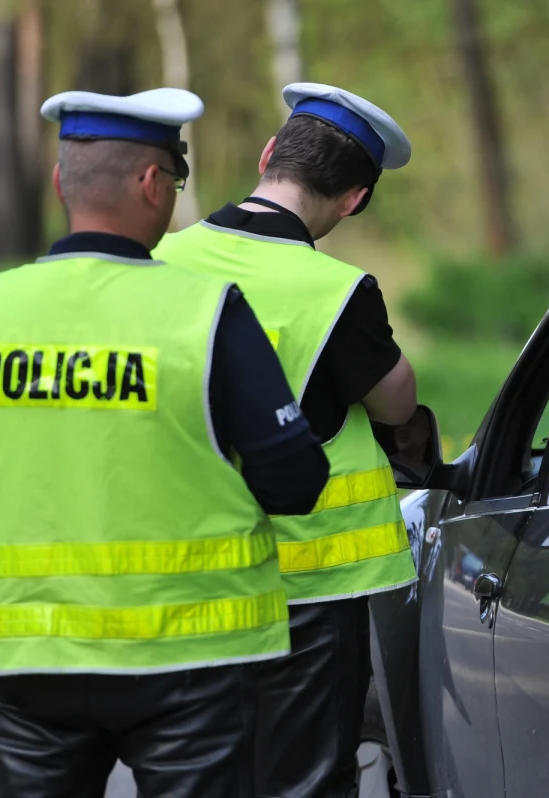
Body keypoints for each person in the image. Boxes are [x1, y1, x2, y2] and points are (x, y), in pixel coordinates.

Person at [0, 87, 330, 797]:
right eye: (175, 182)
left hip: (32, 657)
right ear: (151, 182)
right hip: (193, 659)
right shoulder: (206, 312)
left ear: (62, 182)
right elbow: (295, 481)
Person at [152, 82, 418, 798]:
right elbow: (397, 402)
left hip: (181, 575)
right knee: (303, 778)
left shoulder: (164, 258)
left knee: (195, 776)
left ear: (269, 154)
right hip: (308, 590)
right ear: (354, 199)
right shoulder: (336, 290)